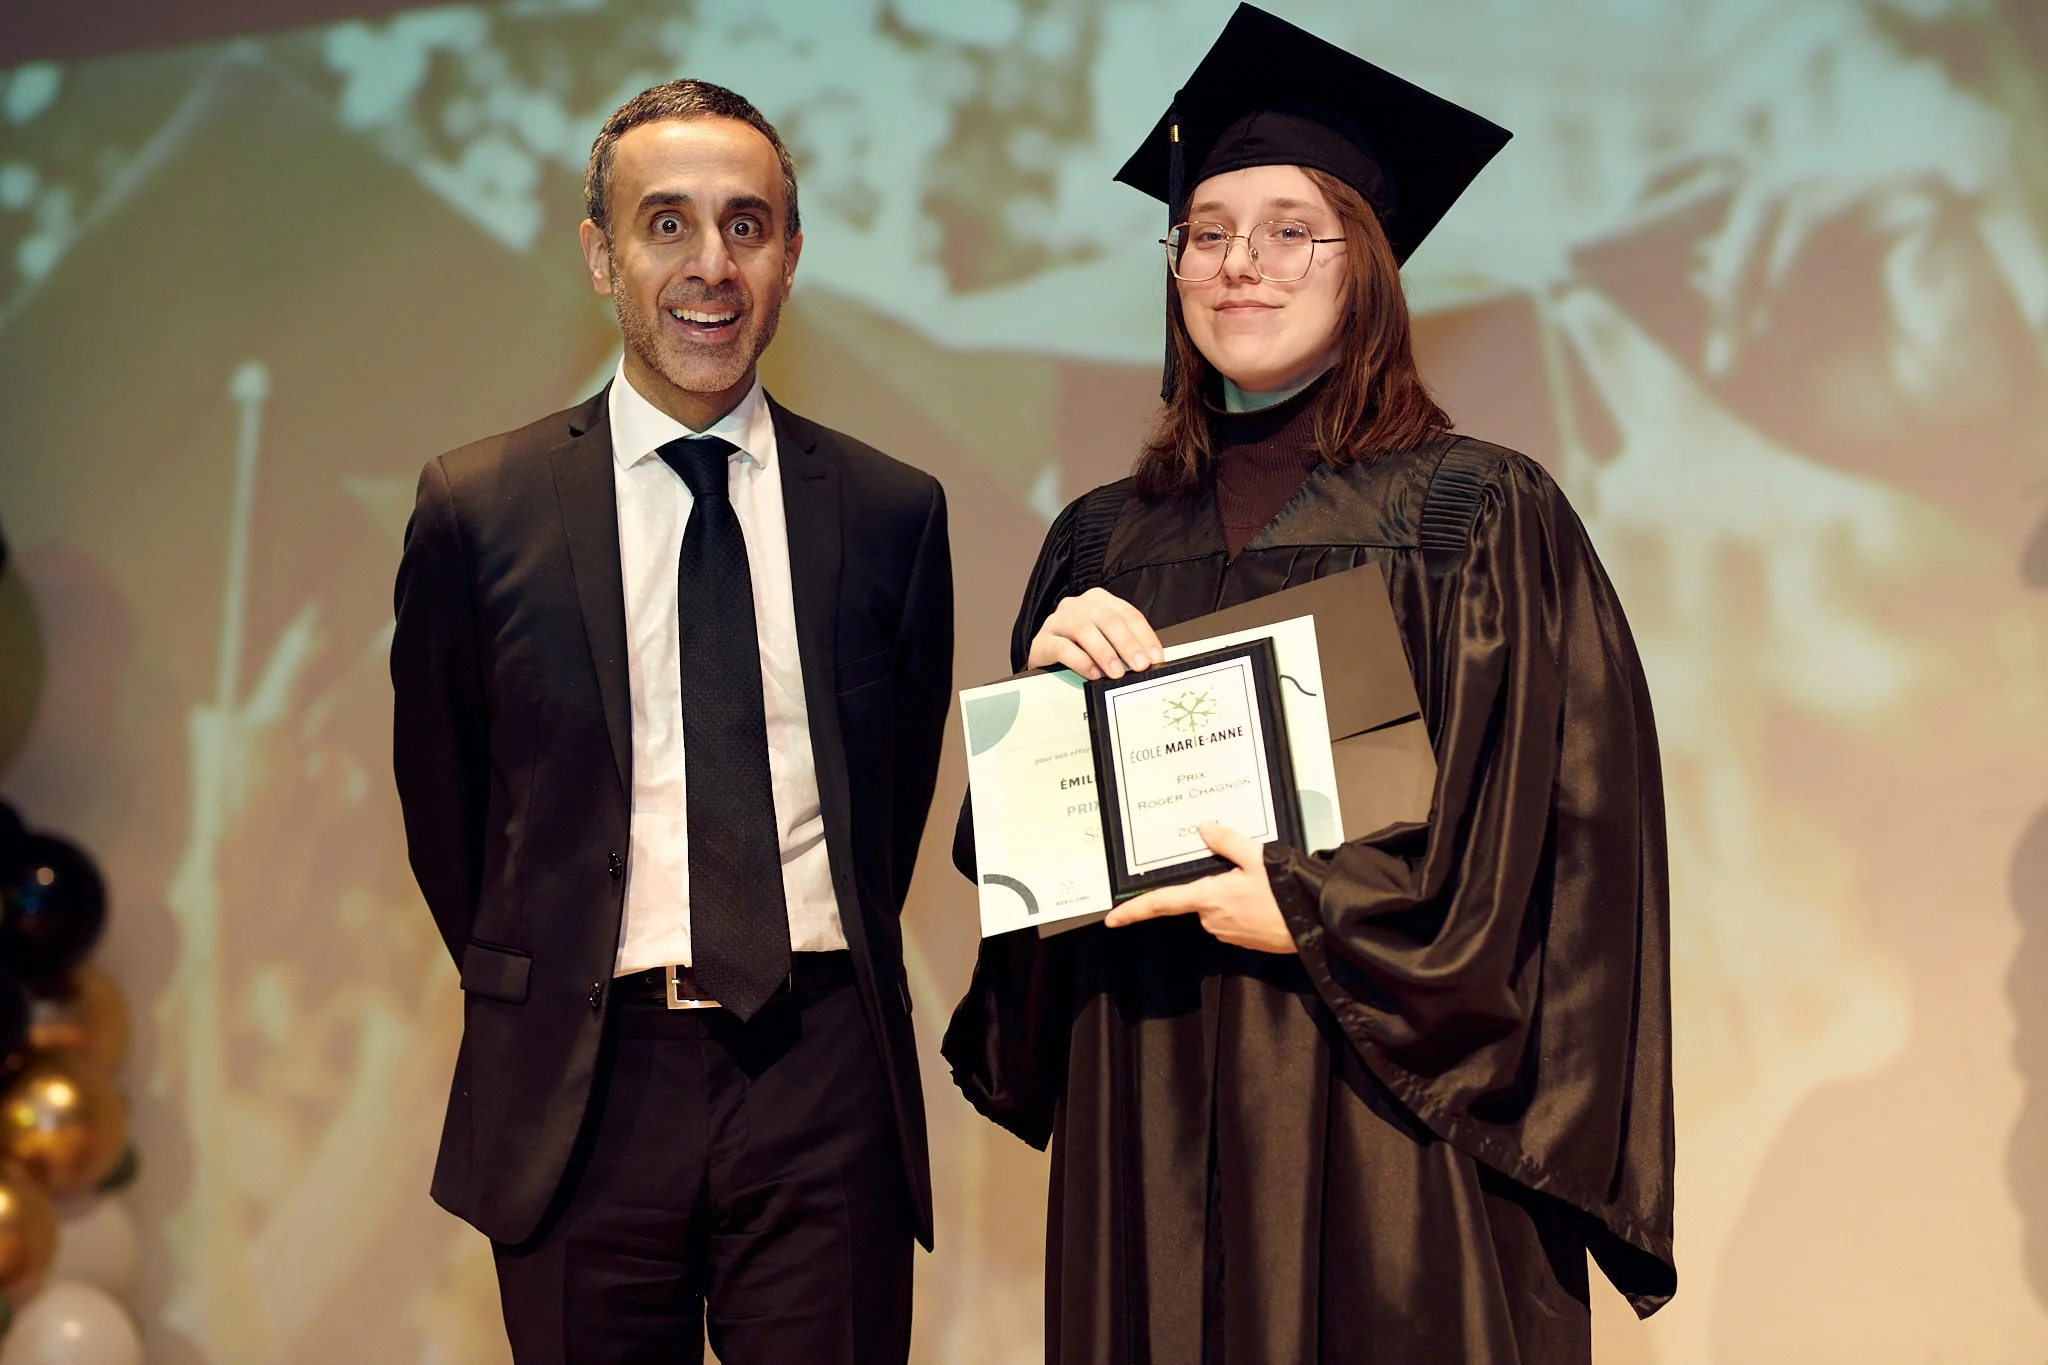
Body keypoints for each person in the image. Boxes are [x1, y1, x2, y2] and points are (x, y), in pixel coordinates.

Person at [942, 7, 1675, 1362]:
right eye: (1207, 232)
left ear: (1368, 268)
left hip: (1389, 1117)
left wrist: (1314, 912)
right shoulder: (1101, 538)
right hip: (1148, 1106)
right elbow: (1019, 891)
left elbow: (1562, 857)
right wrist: (1043, 709)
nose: (1240, 264)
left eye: (1291, 230)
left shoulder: (1477, 514)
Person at [391, 79, 952, 1364]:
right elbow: (452, 816)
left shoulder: (889, 514)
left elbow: (892, 805)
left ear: (792, 257)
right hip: (583, 1089)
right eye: (666, 225)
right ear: (601, 256)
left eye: (747, 226)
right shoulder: (478, 510)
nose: (711, 267)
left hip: (822, 1079)